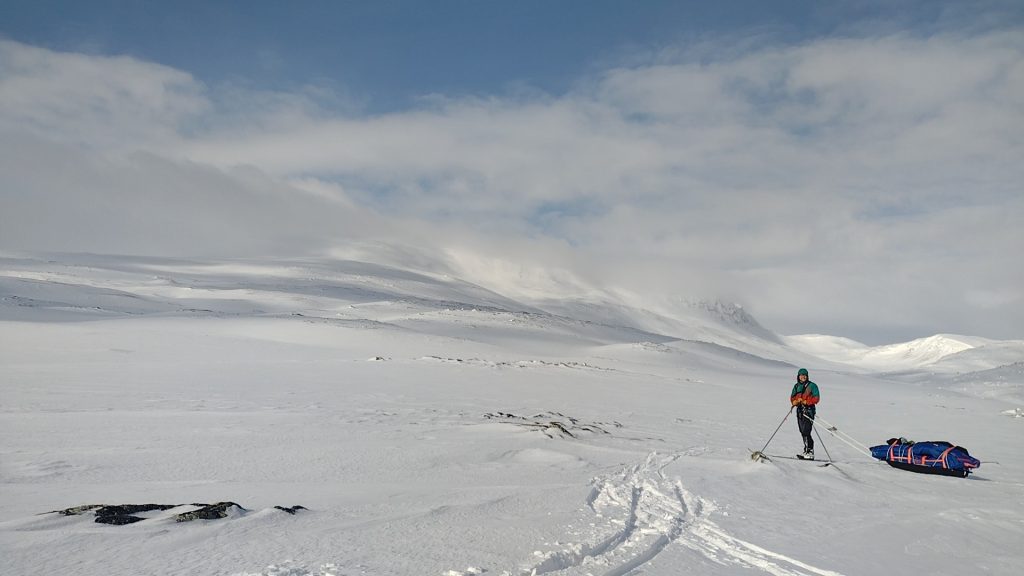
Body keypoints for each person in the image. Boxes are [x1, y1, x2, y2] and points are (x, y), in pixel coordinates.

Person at [790, 368, 820, 459]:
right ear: (798, 376)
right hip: (799, 411)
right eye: (801, 375)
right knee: (802, 431)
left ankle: (810, 451)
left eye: (804, 375)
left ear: (807, 376)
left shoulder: (812, 386)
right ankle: (806, 451)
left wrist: (806, 401)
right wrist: (794, 402)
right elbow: (792, 397)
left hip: (809, 410)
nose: (803, 376)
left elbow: (816, 398)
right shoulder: (796, 386)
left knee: (807, 431)